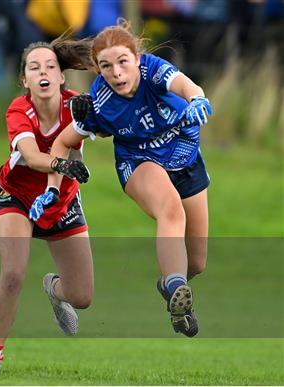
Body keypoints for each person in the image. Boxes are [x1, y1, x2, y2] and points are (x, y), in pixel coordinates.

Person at [30, 19, 213, 338]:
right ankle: (175, 285)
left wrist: (197, 100)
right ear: (98, 70)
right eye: (106, 66)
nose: (116, 73)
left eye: (122, 62)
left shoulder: (154, 70)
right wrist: (53, 185)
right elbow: (63, 141)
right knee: (171, 211)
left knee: (196, 263)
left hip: (186, 158)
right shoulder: (102, 102)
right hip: (140, 162)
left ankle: (171, 287)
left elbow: (187, 86)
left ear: (137, 60)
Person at [0, 39, 94, 378]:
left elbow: (116, 119)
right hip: (19, 196)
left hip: (62, 201)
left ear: (61, 78)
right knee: (13, 274)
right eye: (34, 67)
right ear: (25, 81)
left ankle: (54, 289)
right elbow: (30, 156)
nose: (43, 72)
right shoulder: (18, 111)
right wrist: (61, 163)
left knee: (82, 296)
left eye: (50, 67)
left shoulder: (78, 106)